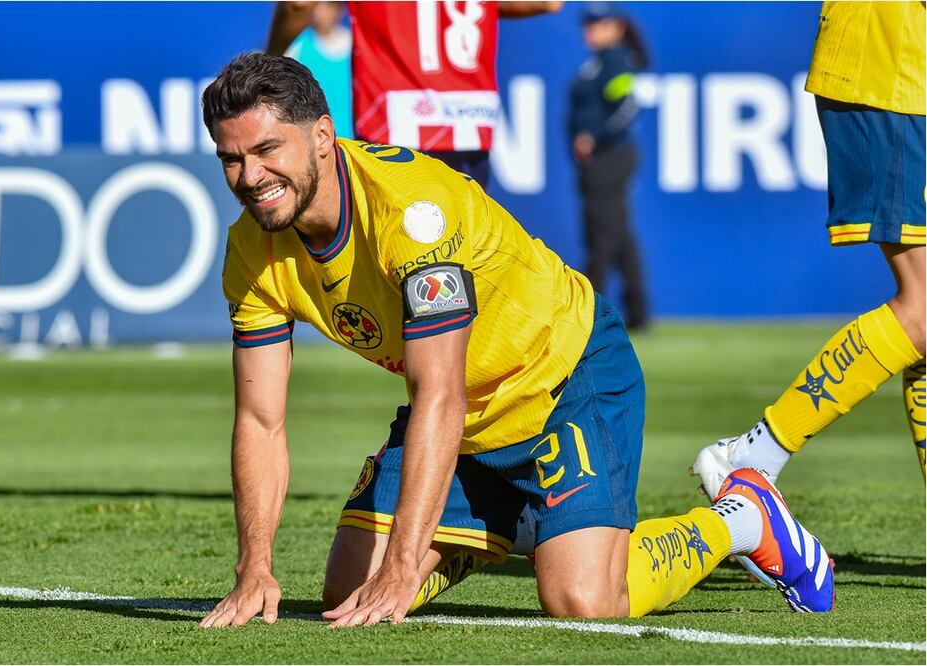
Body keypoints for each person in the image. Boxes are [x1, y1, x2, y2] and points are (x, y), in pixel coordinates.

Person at [196, 52, 833, 629]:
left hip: (562, 374)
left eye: (268, 150)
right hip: (465, 417)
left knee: (583, 600)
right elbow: (260, 420)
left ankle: (740, 517)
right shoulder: (250, 250)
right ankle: (515, 520)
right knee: (347, 592)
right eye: (232, 158)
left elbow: (439, 393)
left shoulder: (415, 214)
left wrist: (404, 564)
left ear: (322, 136)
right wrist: (254, 568)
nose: (251, 176)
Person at [691, 0, 925, 584]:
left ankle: (757, 452)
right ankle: (754, 453)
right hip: (889, 70)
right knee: (924, 307)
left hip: (903, 68)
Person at [267, 1, 564, 189]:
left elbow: (298, 4)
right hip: (470, 122)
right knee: (463, 251)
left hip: (397, 125)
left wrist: (270, 59)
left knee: (399, 256)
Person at [569, 2, 649, 330]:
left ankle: (591, 311)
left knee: (601, 233)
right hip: (601, 160)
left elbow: (627, 106)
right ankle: (637, 310)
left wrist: (596, 136)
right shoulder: (597, 62)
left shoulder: (615, 60)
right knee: (617, 233)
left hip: (611, 156)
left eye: (599, 24)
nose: (590, 30)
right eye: (588, 24)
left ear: (617, 27)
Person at [284, 1, 354, 139]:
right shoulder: (297, 46)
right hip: (317, 137)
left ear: (339, 9)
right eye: (316, 5)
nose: (320, 12)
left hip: (351, 137)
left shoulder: (353, 44)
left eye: (327, 5)